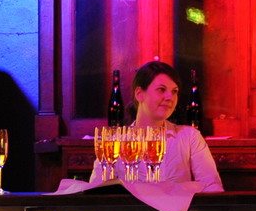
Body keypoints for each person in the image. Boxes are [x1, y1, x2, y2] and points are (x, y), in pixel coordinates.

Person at [94, 59, 223, 190]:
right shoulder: (115, 141)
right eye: (161, 89)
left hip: (177, 204)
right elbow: (96, 190)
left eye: (174, 91)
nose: (170, 97)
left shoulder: (189, 137)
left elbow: (212, 185)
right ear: (139, 94)